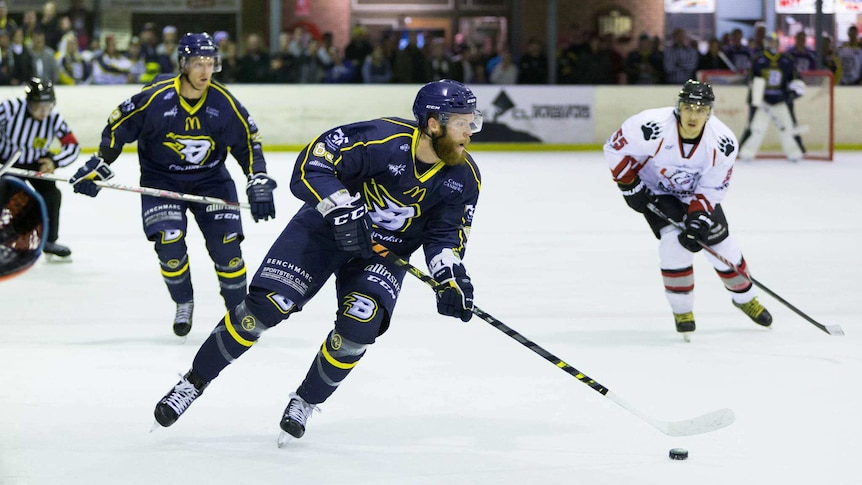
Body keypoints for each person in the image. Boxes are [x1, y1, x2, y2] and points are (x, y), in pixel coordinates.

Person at [150, 79, 482, 443]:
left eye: (472, 122)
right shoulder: (378, 139)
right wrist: (342, 208)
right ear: (433, 123)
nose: (470, 131)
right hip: (324, 231)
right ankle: (193, 383)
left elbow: (445, 236)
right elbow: (312, 166)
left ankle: (305, 401)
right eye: (462, 123)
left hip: (383, 255)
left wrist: (449, 278)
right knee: (262, 310)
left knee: (361, 324)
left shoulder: (464, 177)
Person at [68, 33, 277, 337]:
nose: (205, 71)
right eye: (197, 63)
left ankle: (239, 314)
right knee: (169, 241)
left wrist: (257, 178)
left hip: (211, 181)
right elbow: (118, 127)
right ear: (183, 64)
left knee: (227, 248)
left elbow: (248, 144)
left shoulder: (224, 102)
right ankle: (184, 302)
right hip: (161, 179)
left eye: (210, 63)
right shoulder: (155, 98)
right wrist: (101, 164)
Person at [603, 79, 772, 341]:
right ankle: (682, 311)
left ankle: (745, 298)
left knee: (722, 247)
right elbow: (614, 148)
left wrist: (698, 218)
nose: (694, 115)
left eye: (701, 109)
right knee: (673, 246)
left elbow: (713, 186)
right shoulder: (650, 125)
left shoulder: (722, 142)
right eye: (689, 107)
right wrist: (629, 185)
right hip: (655, 190)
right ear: (678, 107)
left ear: (709, 112)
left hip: (696, 194)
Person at [0, 78, 80, 259]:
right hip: (7, 161)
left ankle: (49, 241)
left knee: (52, 195)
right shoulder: (10, 108)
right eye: (39, 105)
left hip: (36, 163)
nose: (44, 111)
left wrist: (55, 162)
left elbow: (72, 145)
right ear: (29, 102)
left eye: (48, 105)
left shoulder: (54, 118)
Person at [738, 33, 807, 162]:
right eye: (770, 42)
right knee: (757, 128)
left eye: (774, 41)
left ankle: (795, 152)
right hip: (762, 101)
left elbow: (795, 79)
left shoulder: (787, 59)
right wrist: (750, 82)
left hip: (781, 100)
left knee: (787, 128)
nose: (772, 44)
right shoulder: (757, 59)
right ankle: (746, 152)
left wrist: (795, 90)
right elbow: (750, 78)